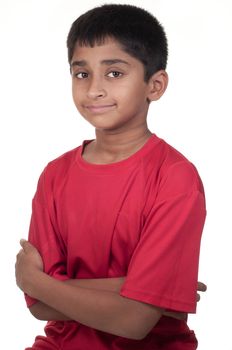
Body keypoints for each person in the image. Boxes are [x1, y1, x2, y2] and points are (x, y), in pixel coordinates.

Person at [15, 4, 207, 350]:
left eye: (115, 73)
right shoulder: (55, 175)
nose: (94, 90)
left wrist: (33, 280)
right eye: (82, 74)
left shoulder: (176, 178)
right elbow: (39, 307)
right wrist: (142, 288)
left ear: (156, 84)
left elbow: (134, 321)